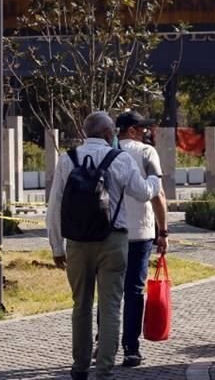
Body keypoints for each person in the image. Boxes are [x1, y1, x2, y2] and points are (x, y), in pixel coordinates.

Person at [47, 111, 163, 380]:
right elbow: (143, 192)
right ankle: (104, 371)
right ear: (109, 133)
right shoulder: (120, 159)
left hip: (77, 242)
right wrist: (155, 177)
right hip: (113, 240)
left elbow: (55, 206)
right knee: (110, 306)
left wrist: (57, 247)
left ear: (86, 132)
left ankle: (80, 367)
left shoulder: (68, 159)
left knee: (81, 305)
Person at [115, 110, 168, 367]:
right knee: (134, 291)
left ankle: (104, 341)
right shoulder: (147, 153)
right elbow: (157, 194)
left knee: (109, 290)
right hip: (140, 232)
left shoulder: (108, 151)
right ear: (132, 130)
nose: (146, 133)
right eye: (143, 128)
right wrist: (163, 231)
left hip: (110, 232)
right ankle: (131, 348)